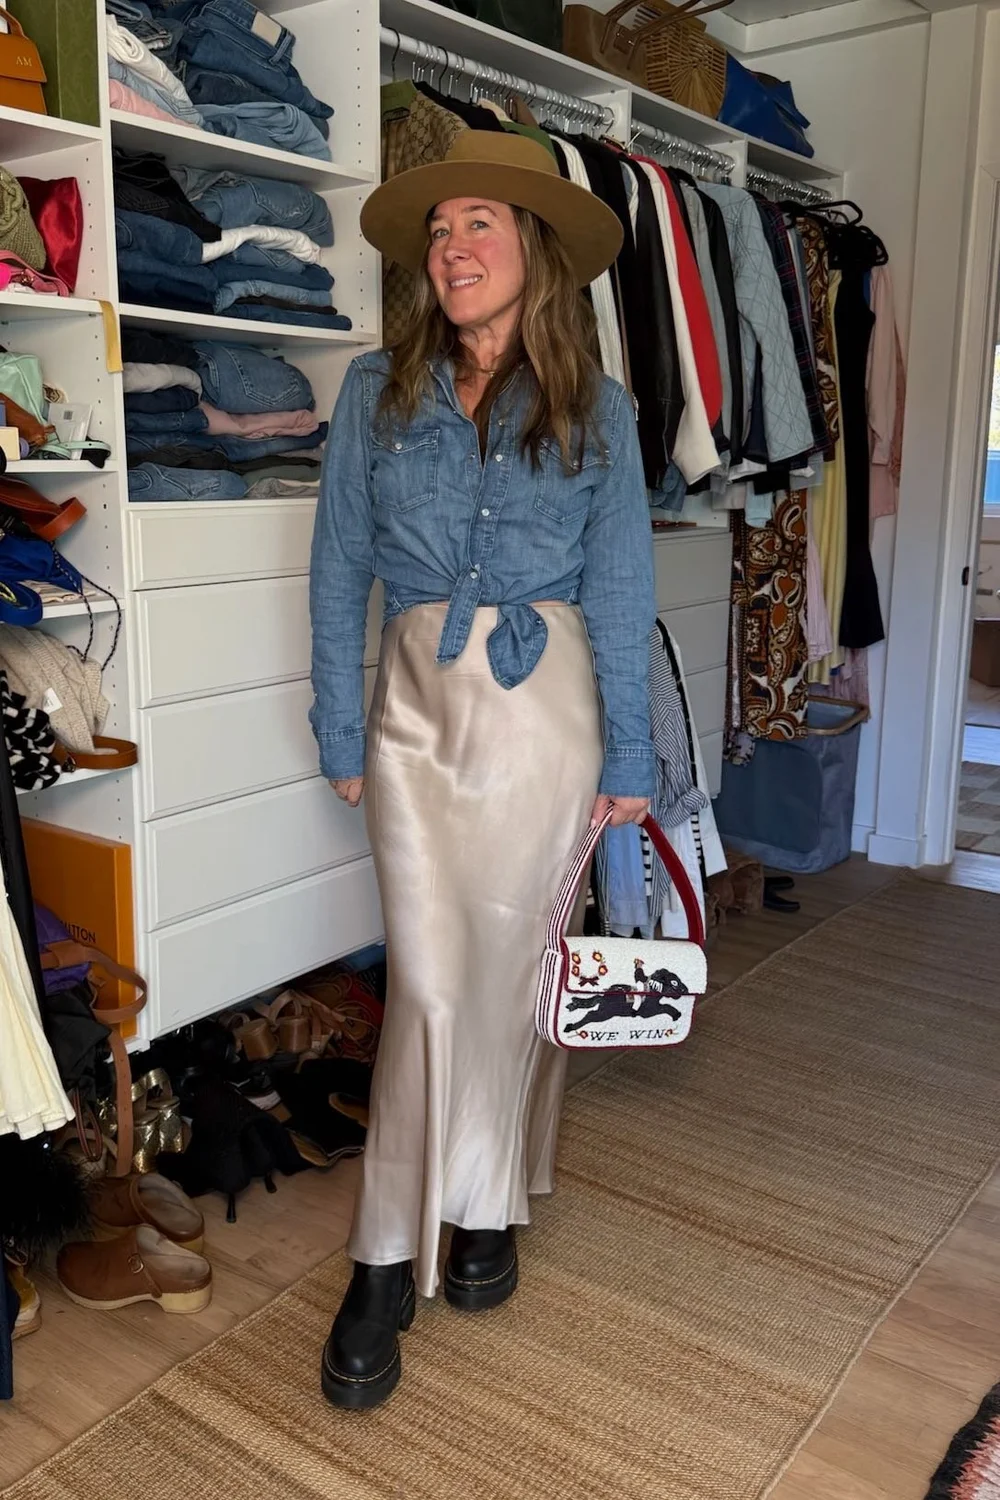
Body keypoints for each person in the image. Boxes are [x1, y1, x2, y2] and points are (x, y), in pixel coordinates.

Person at [309, 132, 657, 1410]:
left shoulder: (598, 408)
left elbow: (620, 587)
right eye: (439, 228)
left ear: (533, 251)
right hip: (414, 710)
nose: (453, 248)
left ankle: (480, 1206)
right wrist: (337, 728)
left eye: (480, 226)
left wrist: (630, 752)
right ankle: (388, 1252)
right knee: (428, 982)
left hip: (544, 717)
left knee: (512, 976)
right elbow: (338, 568)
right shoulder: (374, 391)